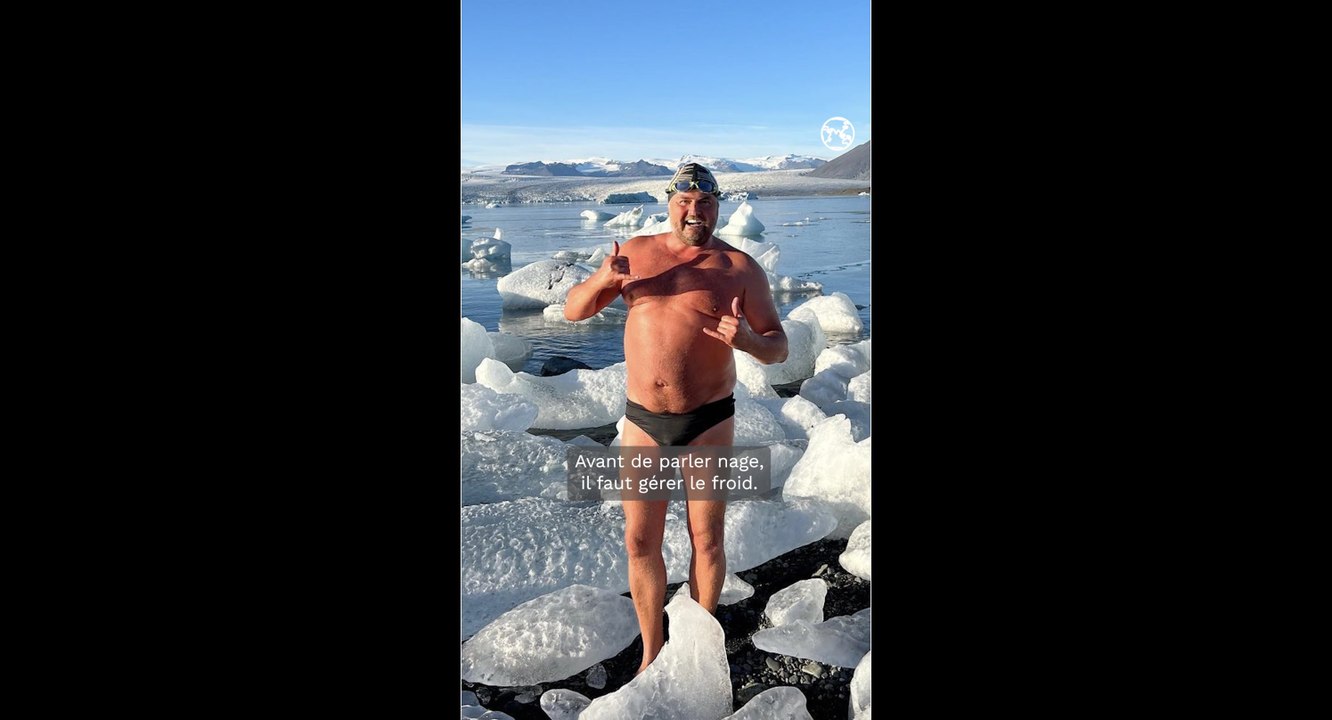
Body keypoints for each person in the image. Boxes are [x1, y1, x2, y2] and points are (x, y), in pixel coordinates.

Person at [563, 162, 789, 673]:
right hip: (643, 420)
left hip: (708, 419)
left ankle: (698, 650)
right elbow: (575, 312)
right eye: (685, 201)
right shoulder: (635, 254)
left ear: (716, 207)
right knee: (640, 539)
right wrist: (603, 278)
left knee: (706, 538)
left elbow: (778, 346)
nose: (695, 210)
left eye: (705, 202)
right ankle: (652, 651)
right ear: (670, 203)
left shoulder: (740, 268)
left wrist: (749, 341)